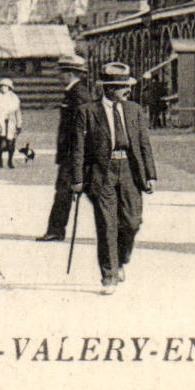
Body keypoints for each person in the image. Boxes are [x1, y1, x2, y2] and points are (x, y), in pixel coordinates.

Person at [69, 62, 157, 295]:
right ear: (108, 89)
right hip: (101, 173)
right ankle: (109, 275)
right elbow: (77, 148)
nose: (127, 90)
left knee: (132, 222)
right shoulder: (87, 112)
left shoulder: (134, 110)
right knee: (107, 224)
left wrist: (150, 174)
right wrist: (77, 179)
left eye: (127, 86)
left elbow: (144, 143)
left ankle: (120, 259)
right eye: (121, 87)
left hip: (129, 169)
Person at [39, 53, 97, 242]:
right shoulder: (73, 92)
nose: (58, 75)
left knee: (66, 190)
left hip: (75, 154)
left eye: (61, 71)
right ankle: (56, 229)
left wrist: (77, 154)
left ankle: (56, 230)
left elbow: (83, 127)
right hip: (72, 153)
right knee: (88, 192)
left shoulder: (78, 94)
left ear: (71, 73)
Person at [0, 78, 23, 169]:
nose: (3, 88)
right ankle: (0, 159)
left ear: (9, 87)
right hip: (0, 120)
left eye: (5, 86)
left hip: (11, 121)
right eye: (2, 86)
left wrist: (19, 124)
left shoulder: (14, 98)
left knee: (11, 142)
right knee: (0, 141)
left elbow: (17, 112)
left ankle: (10, 160)